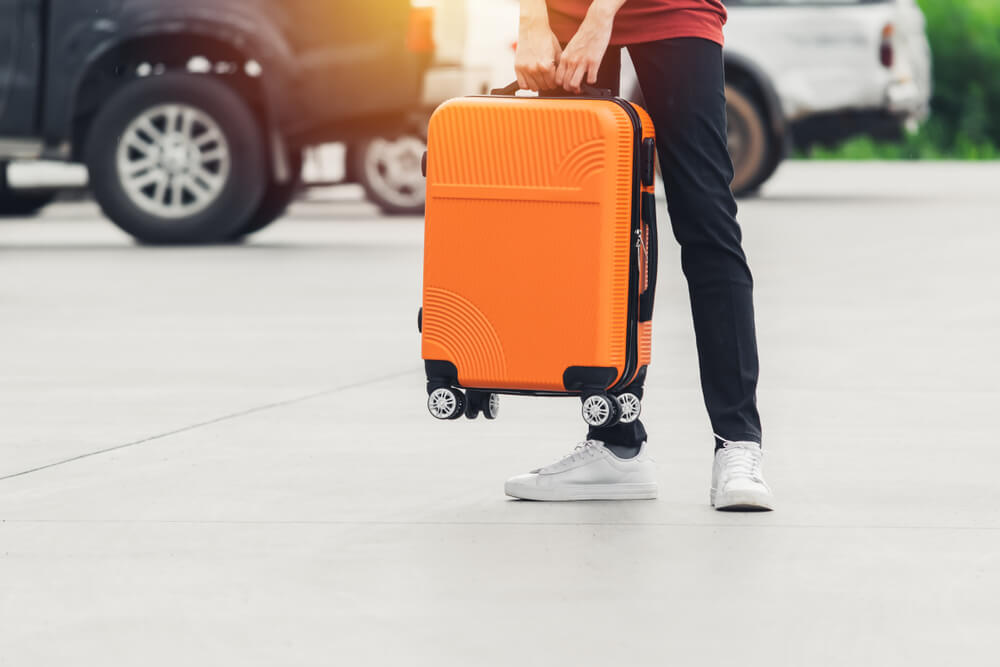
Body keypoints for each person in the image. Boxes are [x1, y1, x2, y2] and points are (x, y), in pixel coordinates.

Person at [503, 0, 774, 510]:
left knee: (705, 217)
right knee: (584, 228)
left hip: (671, 9)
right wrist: (532, 20)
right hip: (564, 11)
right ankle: (615, 443)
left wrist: (600, 17)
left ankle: (738, 446)